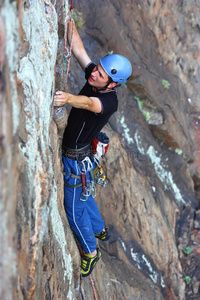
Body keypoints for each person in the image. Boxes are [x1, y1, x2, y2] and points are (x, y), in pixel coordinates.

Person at [54, 19, 132, 277]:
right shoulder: (98, 76)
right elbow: (79, 51)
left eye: (101, 74)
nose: (94, 73)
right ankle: (99, 228)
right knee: (84, 197)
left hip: (75, 160)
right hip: (83, 155)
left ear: (112, 84)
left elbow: (88, 103)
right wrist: (70, 26)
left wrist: (67, 99)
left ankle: (90, 250)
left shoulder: (108, 101)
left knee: (73, 210)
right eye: (97, 68)